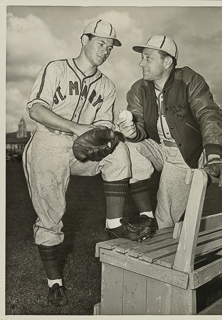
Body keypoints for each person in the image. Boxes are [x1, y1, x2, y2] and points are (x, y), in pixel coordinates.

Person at [22, 19, 149, 307]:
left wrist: (108, 136)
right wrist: (77, 128)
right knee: (51, 217)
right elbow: (36, 110)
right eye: (100, 42)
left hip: (82, 146)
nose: (105, 50)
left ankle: (114, 224)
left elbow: (102, 124)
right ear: (84, 40)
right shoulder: (55, 68)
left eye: (110, 46)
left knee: (119, 152)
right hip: (48, 142)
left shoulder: (106, 85)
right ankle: (55, 283)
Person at [117, 35, 222, 230]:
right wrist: (132, 132)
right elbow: (139, 128)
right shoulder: (138, 89)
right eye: (142, 58)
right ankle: (145, 216)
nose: (141, 63)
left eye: (148, 58)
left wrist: (214, 154)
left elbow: (208, 114)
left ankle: (167, 241)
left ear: (167, 61)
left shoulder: (189, 79)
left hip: (185, 154)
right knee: (127, 146)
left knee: (166, 221)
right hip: (158, 147)